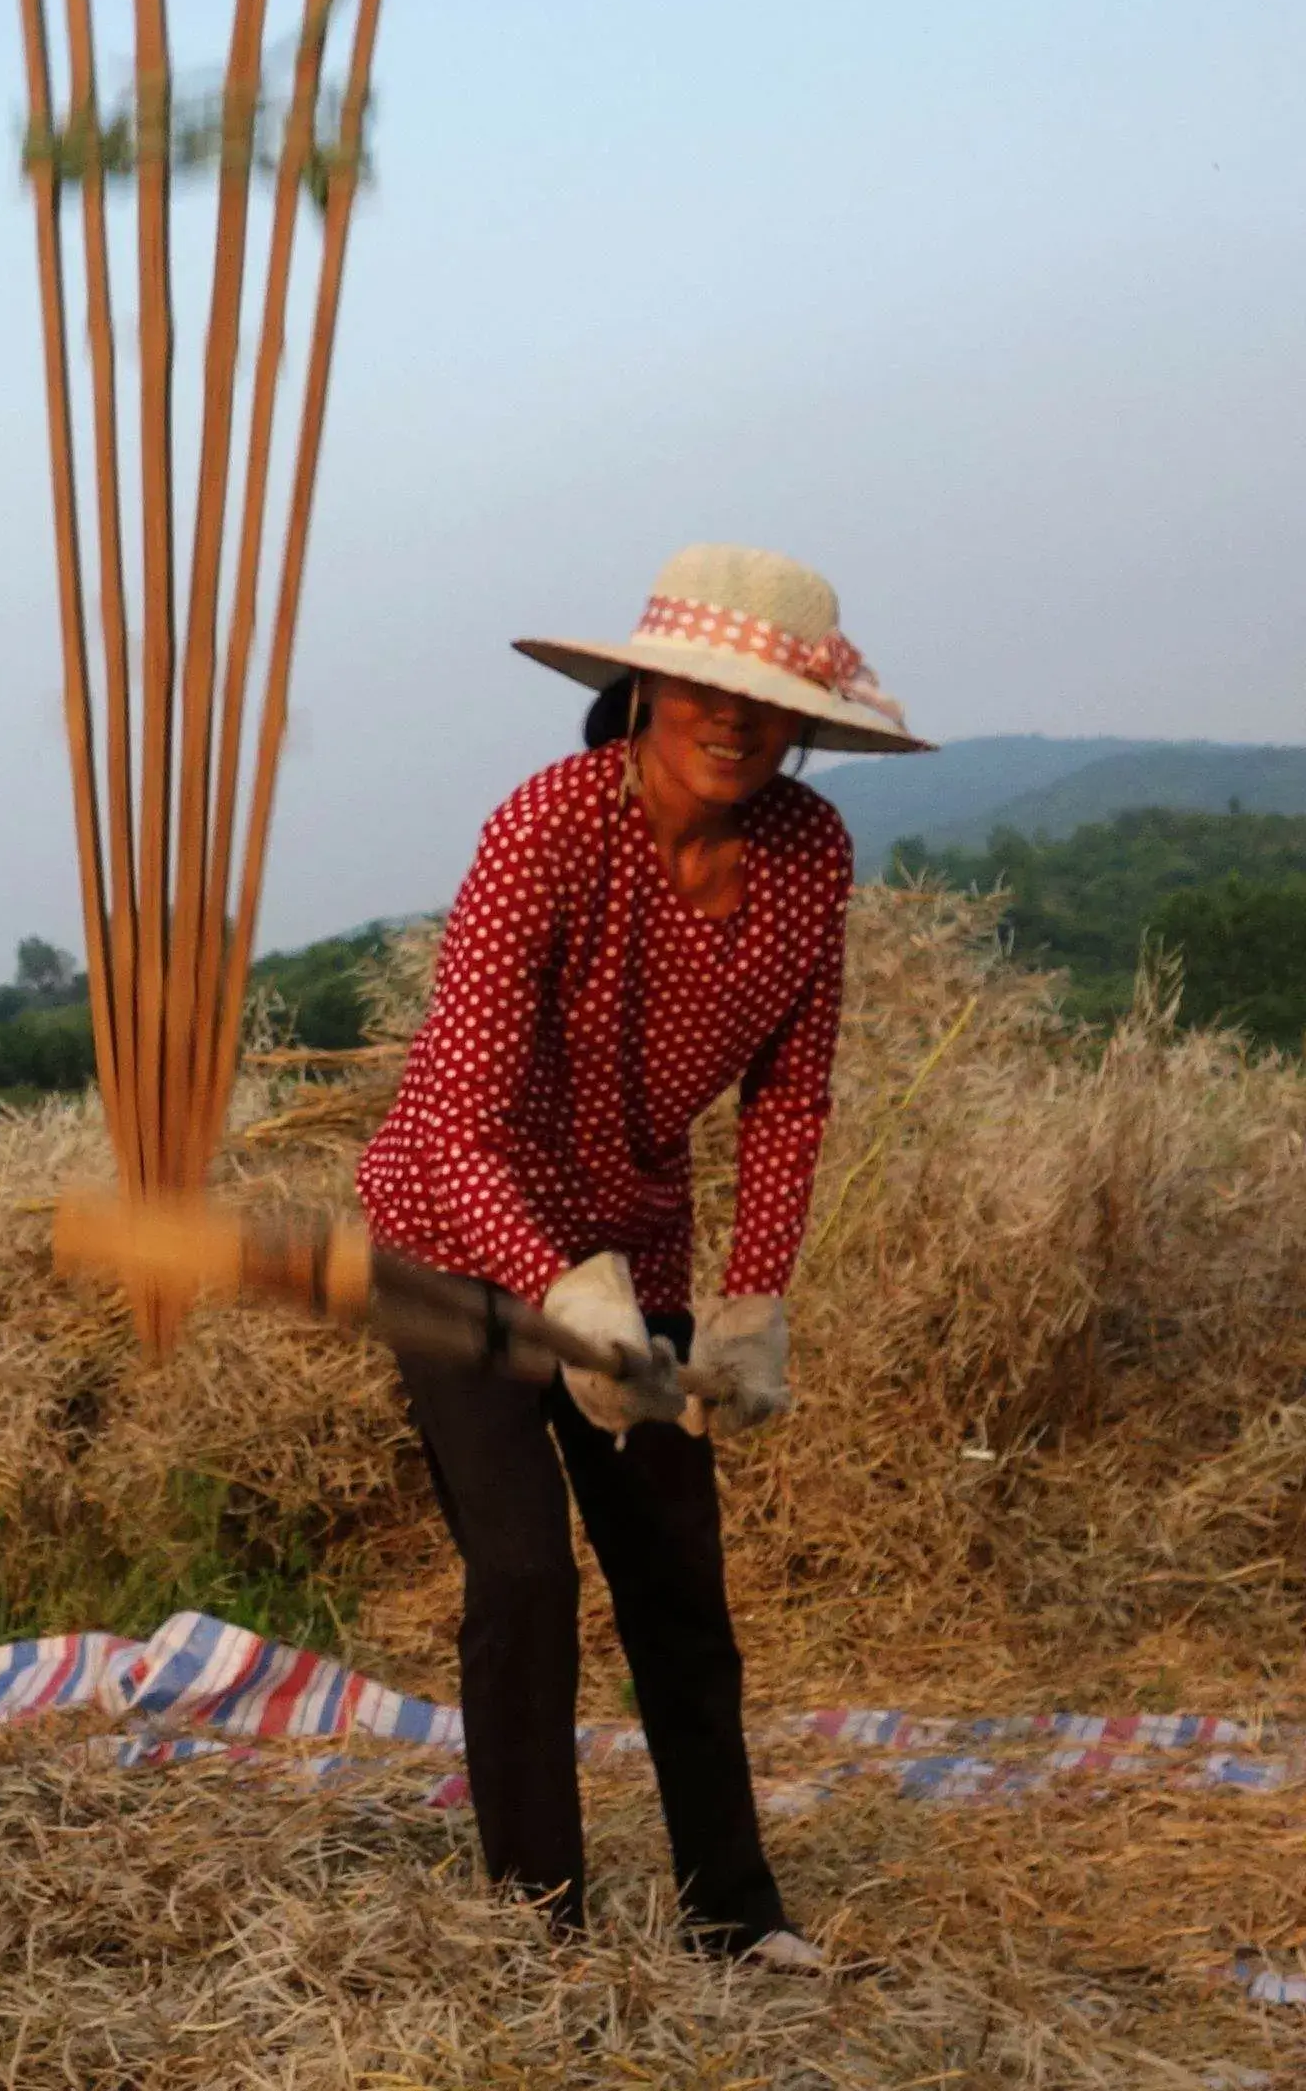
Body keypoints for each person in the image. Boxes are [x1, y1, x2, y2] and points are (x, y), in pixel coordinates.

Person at [355, 542, 929, 1968]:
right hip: (454, 1243)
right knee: (528, 1576)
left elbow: (791, 1092)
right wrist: (559, 1293)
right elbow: (458, 1120)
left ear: (803, 726)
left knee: (676, 1574)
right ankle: (538, 1927)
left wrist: (755, 1296)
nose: (730, 723)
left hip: (635, 1241)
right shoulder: (547, 827)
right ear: (644, 690)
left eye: (766, 702)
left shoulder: (810, 853)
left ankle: (735, 1912)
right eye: (702, 692)